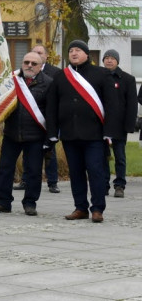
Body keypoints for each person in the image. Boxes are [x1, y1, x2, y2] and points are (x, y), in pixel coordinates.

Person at [47, 40, 118, 223]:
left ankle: (97, 209)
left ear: (87, 54)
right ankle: (80, 207)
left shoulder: (102, 74)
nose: (74, 53)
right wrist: (53, 132)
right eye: (71, 50)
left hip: (94, 135)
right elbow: (52, 106)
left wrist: (109, 132)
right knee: (76, 172)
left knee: (96, 171)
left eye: (78, 50)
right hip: (70, 134)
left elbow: (112, 105)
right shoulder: (61, 76)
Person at [0, 51, 52, 216]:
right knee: (5, 168)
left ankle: (30, 203)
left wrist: (50, 137)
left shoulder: (48, 83)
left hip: (35, 136)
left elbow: (52, 112)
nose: (29, 66)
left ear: (40, 66)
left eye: (33, 63)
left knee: (33, 171)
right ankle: (3, 201)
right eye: (26, 62)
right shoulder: (10, 80)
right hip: (12, 133)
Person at [102, 49, 137, 197]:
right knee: (101, 157)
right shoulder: (98, 77)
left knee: (120, 157)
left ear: (117, 61)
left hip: (119, 126)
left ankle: (119, 185)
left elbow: (132, 104)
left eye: (112, 58)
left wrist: (129, 125)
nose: (109, 60)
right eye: (106, 58)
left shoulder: (128, 79)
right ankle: (103, 185)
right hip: (101, 126)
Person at [30, 44, 61, 193]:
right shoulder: (26, 71)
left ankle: (52, 182)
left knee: (50, 152)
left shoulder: (55, 73)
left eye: (40, 52)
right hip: (30, 118)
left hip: (48, 118)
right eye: (34, 52)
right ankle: (25, 180)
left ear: (46, 56)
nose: (37, 54)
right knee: (28, 153)